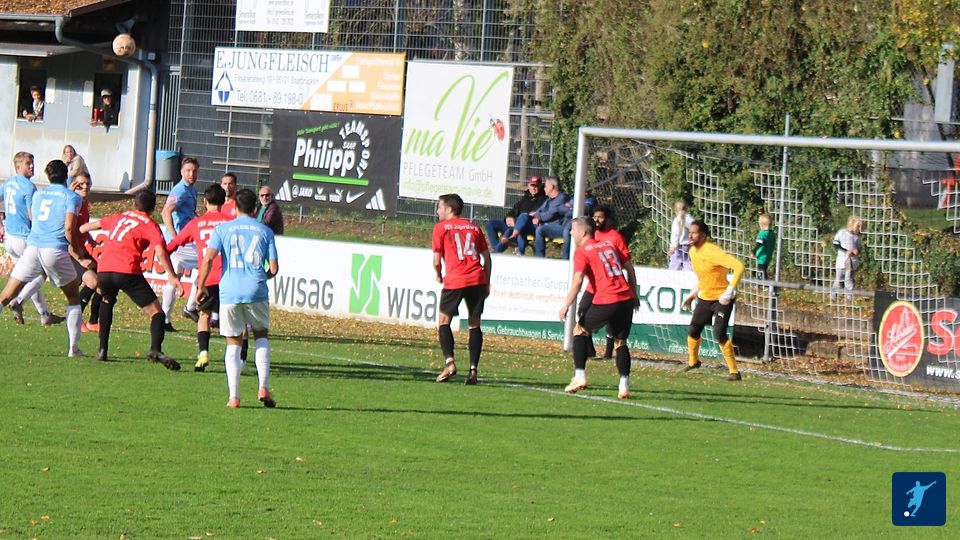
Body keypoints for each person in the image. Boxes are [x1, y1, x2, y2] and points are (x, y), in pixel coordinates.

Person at [196, 189, 279, 408]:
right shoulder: (265, 231)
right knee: (261, 334)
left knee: (233, 341)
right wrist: (263, 277)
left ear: (234, 207)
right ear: (255, 208)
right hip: (256, 290)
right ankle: (263, 386)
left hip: (229, 291)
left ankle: (234, 397)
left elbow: (208, 259)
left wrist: (201, 286)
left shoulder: (222, 229)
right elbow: (273, 268)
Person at [80, 191, 183, 369]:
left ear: (134, 204)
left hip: (105, 269)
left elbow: (86, 228)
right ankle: (155, 349)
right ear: (153, 208)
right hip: (127, 271)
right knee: (157, 313)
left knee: (107, 302)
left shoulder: (119, 216)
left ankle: (102, 350)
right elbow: (160, 252)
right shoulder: (150, 224)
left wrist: (78, 242)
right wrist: (172, 276)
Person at [0, 160, 84, 356]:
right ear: (66, 175)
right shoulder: (72, 197)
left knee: (6, 295)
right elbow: (69, 228)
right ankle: (73, 349)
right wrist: (77, 250)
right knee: (73, 296)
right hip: (53, 249)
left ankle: (26, 305)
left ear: (48, 176)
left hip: (32, 247)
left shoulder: (38, 194)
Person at [559, 216, 638, 399]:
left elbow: (578, 281)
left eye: (573, 230)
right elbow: (629, 268)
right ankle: (624, 385)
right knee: (620, 342)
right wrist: (634, 294)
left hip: (608, 297)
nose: (571, 233)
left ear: (583, 232)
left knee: (579, 331)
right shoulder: (608, 245)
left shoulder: (582, 252)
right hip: (625, 297)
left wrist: (566, 305)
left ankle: (579, 376)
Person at [167, 184, 230, 372]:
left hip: (207, 277)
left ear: (205, 201)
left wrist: (163, 253)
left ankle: (203, 353)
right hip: (229, 277)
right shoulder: (231, 222)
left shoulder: (196, 223)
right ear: (224, 201)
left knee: (204, 315)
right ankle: (239, 359)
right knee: (235, 318)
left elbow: (174, 244)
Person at [432, 193, 492, 385]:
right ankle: (473, 370)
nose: (438, 211)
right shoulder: (474, 227)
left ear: (449, 209)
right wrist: (487, 281)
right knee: (474, 324)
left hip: (455, 280)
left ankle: (450, 363)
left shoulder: (441, 228)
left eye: (440, 207)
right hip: (477, 278)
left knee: (444, 321)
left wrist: (439, 274)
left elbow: (436, 260)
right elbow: (487, 258)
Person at [0, 151, 64, 326]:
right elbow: (32, 215)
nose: (32, 166)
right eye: (28, 163)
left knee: (27, 276)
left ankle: (45, 315)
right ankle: (18, 300)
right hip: (25, 239)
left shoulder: (8, 183)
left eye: (32, 163)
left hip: (10, 239)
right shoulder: (28, 187)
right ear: (18, 165)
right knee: (43, 272)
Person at [680, 220, 745, 381]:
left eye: (694, 233)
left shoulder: (713, 252)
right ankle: (693, 362)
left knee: (719, 332)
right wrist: (691, 296)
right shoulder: (692, 252)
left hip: (722, 299)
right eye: (689, 232)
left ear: (703, 235)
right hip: (705, 297)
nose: (690, 235)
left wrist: (729, 292)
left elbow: (739, 267)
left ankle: (734, 372)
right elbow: (705, 279)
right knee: (693, 330)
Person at [584, 205, 632, 360]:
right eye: (594, 217)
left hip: (610, 286)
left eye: (600, 217)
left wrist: (633, 291)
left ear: (608, 219)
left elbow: (627, 264)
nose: (596, 220)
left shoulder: (615, 237)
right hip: (593, 286)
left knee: (613, 319)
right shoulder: (591, 235)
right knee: (582, 311)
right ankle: (590, 351)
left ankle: (608, 354)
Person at [160, 157, 199, 330]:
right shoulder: (180, 190)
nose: (191, 174)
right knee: (208, 265)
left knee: (175, 278)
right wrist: (176, 238)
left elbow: (188, 214)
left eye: (194, 171)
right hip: (179, 242)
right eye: (188, 171)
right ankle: (189, 308)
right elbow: (165, 212)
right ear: (181, 172)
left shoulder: (191, 190)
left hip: (184, 240)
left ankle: (165, 319)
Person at [68, 174, 102, 332]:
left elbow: (81, 227)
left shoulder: (84, 202)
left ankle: (93, 321)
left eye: (87, 183)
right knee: (93, 282)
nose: (85, 187)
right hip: (70, 251)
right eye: (80, 184)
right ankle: (76, 318)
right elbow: (68, 231)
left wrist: (90, 239)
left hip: (81, 249)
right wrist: (79, 257)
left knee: (104, 281)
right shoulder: (71, 203)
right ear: (74, 185)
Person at [485, 176, 545, 253]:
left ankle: (497, 252)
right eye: (532, 185)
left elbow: (530, 216)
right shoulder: (525, 197)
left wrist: (516, 222)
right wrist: (508, 217)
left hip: (525, 227)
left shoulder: (543, 199)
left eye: (536, 186)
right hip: (513, 224)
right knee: (490, 223)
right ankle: (496, 247)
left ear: (540, 186)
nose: (533, 188)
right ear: (528, 185)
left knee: (510, 230)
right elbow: (513, 210)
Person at [530, 177, 570, 258]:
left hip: (558, 226)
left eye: (545, 186)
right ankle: (519, 250)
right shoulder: (549, 200)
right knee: (523, 219)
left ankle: (539, 258)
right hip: (544, 224)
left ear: (551, 187)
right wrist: (536, 216)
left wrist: (538, 217)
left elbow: (549, 215)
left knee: (540, 230)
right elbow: (538, 210)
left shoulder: (561, 198)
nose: (544, 188)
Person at [832, 215, 863, 299]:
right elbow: (836, 244)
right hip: (842, 260)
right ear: (852, 224)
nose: (859, 229)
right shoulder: (842, 232)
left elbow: (859, 248)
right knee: (838, 279)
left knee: (849, 279)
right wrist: (846, 251)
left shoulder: (857, 237)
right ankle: (833, 296)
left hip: (852, 261)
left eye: (861, 227)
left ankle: (849, 298)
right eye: (858, 226)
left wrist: (857, 251)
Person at [668, 200, 695, 270]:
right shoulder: (691, 220)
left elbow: (676, 234)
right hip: (689, 247)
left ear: (675, 210)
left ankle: (670, 276)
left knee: (674, 266)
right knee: (688, 265)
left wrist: (673, 247)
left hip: (678, 247)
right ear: (686, 209)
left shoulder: (677, 220)